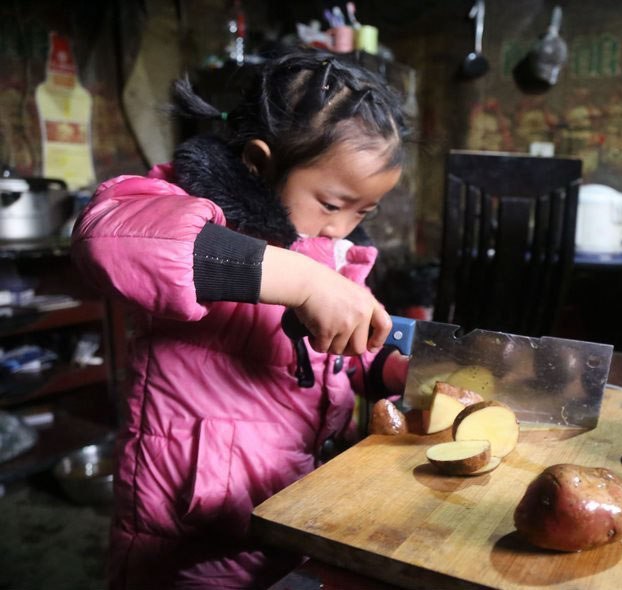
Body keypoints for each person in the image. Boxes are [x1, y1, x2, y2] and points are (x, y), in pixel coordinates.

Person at [70, 46, 411, 589]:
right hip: (188, 533)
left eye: (362, 212)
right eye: (330, 204)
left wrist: (382, 369)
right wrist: (300, 279)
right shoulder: (186, 202)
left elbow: (335, 354)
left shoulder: (340, 254)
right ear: (259, 161)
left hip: (290, 507)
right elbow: (108, 240)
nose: (342, 229)